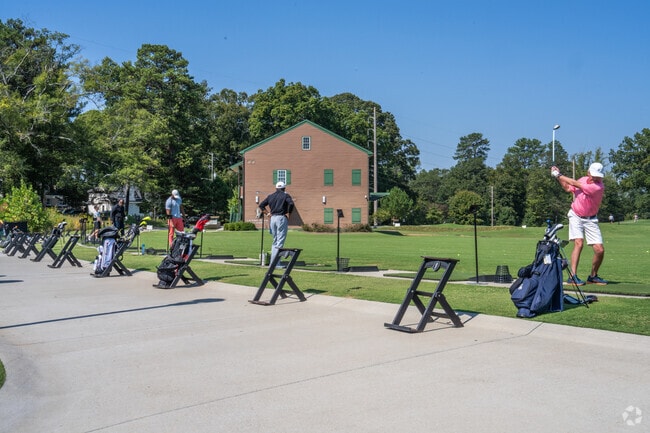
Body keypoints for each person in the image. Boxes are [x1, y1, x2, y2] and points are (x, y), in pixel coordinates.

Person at [551, 162, 607, 286]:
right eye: (593, 175)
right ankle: (573, 276)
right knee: (579, 243)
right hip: (576, 215)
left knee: (600, 250)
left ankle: (593, 276)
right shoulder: (583, 179)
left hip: (591, 219)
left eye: (598, 176)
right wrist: (557, 177)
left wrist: (558, 174)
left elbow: (574, 183)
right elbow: (568, 187)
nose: (595, 178)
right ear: (588, 172)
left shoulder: (598, 187)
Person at [258, 181, 294, 268]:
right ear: (284, 188)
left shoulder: (270, 196)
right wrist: (289, 213)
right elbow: (291, 203)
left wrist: (267, 213)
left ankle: (272, 263)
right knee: (280, 241)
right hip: (281, 218)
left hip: (272, 218)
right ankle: (276, 264)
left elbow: (261, 205)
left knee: (275, 241)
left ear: (276, 188)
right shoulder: (286, 195)